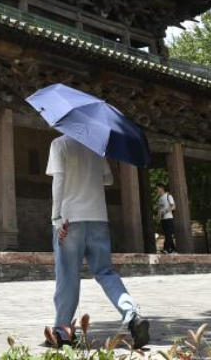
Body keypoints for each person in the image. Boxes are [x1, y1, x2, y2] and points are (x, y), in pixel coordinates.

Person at [44, 134, 150, 349]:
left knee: (68, 275)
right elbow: (108, 179)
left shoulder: (59, 144)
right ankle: (132, 315)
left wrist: (56, 217)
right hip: (98, 218)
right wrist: (88, 175)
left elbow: (59, 180)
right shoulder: (95, 147)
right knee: (106, 272)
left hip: (70, 219)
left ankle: (62, 332)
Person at [155, 183, 176, 254]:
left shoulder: (168, 196)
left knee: (168, 234)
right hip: (163, 220)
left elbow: (173, 207)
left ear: (162, 188)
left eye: (158, 188)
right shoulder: (159, 199)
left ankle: (166, 248)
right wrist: (157, 218)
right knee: (167, 234)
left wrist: (165, 211)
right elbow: (159, 210)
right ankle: (173, 249)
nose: (157, 190)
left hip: (169, 218)